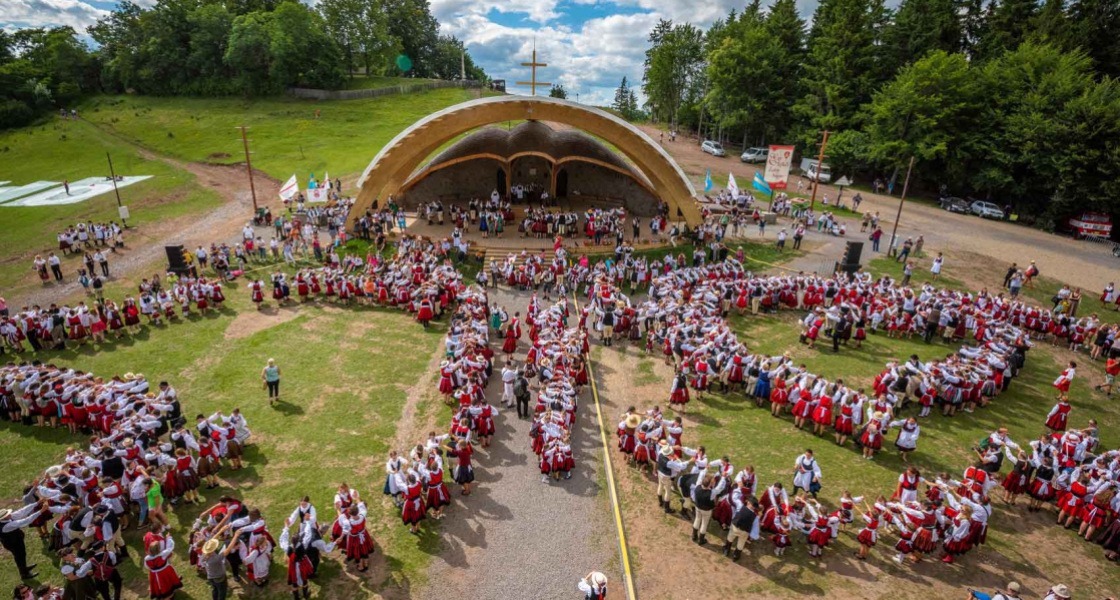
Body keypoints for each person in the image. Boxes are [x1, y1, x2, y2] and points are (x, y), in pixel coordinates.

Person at [1, 504, 47, 579]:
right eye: (7, 514)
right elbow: (25, 521)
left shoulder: (7, 518)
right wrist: (40, 511)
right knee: (19, 556)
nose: (9, 514)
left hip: (16, 540)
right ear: (4, 518)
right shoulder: (6, 526)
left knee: (22, 554)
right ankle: (24, 574)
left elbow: (22, 511)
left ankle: (24, 568)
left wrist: (37, 503)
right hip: (12, 543)